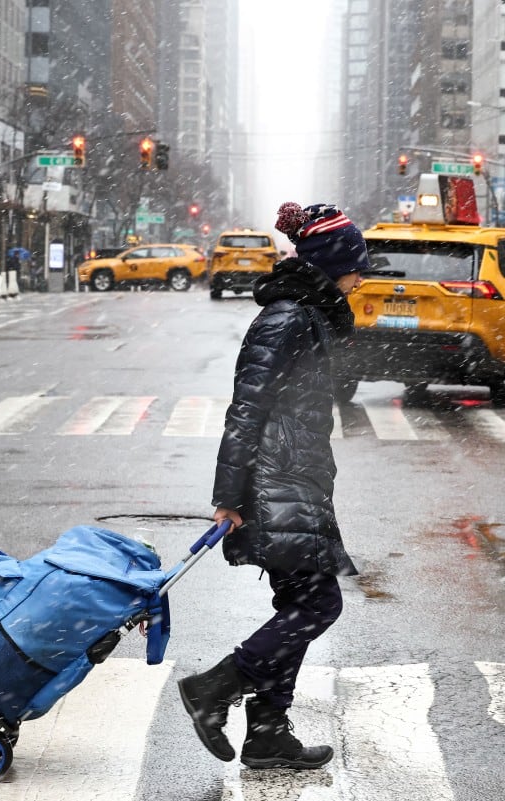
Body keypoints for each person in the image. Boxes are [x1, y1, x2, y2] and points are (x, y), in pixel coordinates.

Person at [177, 202, 366, 771]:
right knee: (318, 604)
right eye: (356, 266)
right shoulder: (287, 319)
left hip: (294, 476)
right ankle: (215, 687)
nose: (362, 278)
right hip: (274, 480)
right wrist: (229, 496)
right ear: (332, 264)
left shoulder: (308, 315)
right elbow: (246, 409)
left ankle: (267, 733)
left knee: (300, 604)